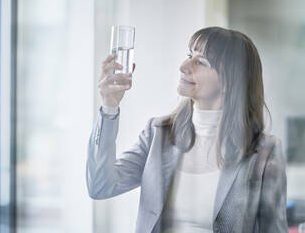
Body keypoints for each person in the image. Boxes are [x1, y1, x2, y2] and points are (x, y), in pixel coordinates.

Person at [86, 26, 288, 233]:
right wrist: (109, 107)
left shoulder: (264, 152)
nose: (183, 66)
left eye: (200, 62)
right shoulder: (158, 134)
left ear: (230, 80)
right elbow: (100, 186)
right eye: (189, 55)